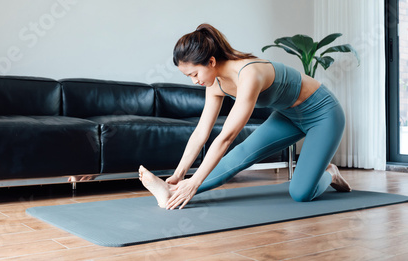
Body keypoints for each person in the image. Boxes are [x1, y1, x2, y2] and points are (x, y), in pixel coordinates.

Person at [139, 23, 351, 210]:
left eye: (194, 74)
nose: (194, 81)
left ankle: (330, 173)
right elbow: (201, 133)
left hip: (323, 114)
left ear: (211, 61)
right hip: (288, 116)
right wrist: (179, 174)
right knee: (241, 154)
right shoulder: (215, 83)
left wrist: (194, 182)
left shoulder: (249, 73)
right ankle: (171, 190)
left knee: (301, 193)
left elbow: (226, 137)